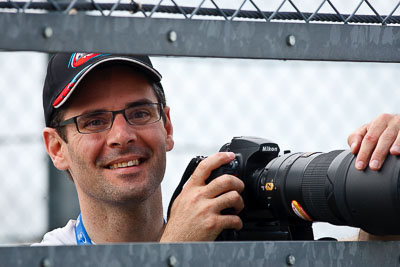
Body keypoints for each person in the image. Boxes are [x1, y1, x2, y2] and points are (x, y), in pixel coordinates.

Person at [33, 53, 400, 245]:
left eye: (139, 112)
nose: (121, 135)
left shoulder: (220, 234)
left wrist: (384, 173)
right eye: (94, 121)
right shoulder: (48, 259)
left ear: (168, 126)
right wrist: (176, 254)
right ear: (56, 147)